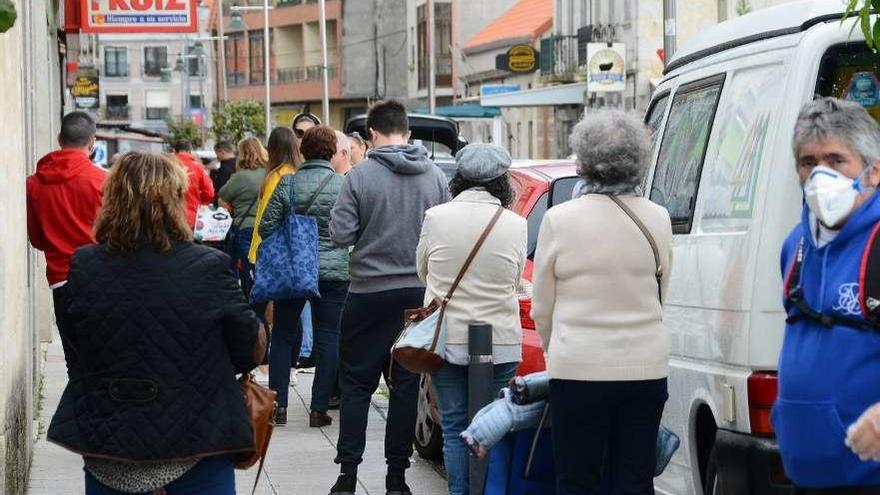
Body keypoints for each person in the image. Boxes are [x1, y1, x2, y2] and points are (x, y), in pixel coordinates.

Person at [46, 151, 267, 495]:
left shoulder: (84, 266)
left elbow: (77, 346)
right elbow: (248, 351)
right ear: (176, 200)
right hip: (197, 441)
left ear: (112, 200)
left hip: (109, 445)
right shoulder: (209, 267)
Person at [530, 109, 673, 495]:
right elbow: (662, 293)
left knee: (577, 478)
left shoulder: (560, 219)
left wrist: (554, 349)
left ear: (584, 161)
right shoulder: (658, 217)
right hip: (645, 366)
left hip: (578, 367)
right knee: (635, 477)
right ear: (638, 160)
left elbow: (542, 306)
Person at [329, 99, 450, 495]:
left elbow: (340, 235)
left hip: (366, 295)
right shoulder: (434, 176)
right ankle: (397, 478)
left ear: (372, 135)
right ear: (409, 133)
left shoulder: (359, 177)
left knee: (356, 386)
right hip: (416, 299)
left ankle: (347, 473)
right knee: (404, 388)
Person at [776, 97, 880, 493]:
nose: (820, 175)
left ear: (873, 172)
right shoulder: (795, 246)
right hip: (809, 474)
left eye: (836, 160)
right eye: (808, 162)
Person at [417, 143, 527, 495]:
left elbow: (423, 271)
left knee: (452, 425)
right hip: (500, 337)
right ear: (501, 182)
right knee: (493, 424)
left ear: (459, 179)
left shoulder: (436, 217)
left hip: (448, 336)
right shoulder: (516, 224)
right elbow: (513, 281)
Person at [258, 125, 350, 429]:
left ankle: (279, 406)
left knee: (283, 335)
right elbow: (352, 230)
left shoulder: (288, 184)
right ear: (332, 152)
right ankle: (319, 408)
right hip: (334, 271)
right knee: (329, 337)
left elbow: (265, 227)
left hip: (295, 271)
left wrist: (292, 238)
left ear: (304, 151)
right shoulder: (343, 185)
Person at [26, 111, 106, 346]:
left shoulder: (33, 183)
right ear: (92, 143)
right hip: (100, 279)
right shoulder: (103, 181)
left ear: (60, 139)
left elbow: (37, 240)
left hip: (61, 280)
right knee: (101, 361)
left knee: (74, 361)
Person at [218, 137, 268, 285]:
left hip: (245, 229)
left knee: (250, 273)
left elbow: (222, 196)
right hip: (267, 228)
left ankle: (251, 304)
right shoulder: (270, 174)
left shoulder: (239, 177)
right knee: (263, 272)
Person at [173, 140, 215, 228]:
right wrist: (202, 204)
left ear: (174, 151)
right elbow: (210, 193)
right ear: (190, 151)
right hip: (192, 216)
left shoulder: (165, 165)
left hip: (167, 216)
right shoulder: (198, 167)